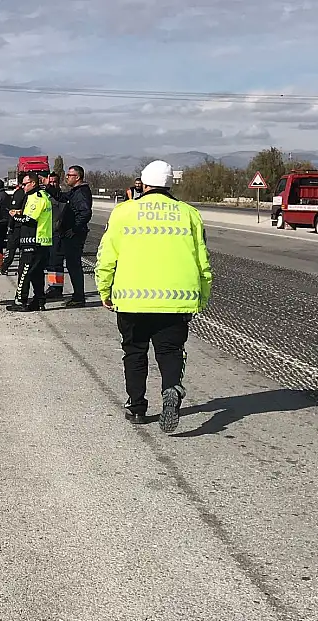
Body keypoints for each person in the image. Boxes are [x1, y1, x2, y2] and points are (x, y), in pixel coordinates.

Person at [95, 160, 212, 433]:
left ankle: (136, 407)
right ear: (170, 184)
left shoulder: (124, 212)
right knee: (170, 352)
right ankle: (171, 389)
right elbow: (202, 259)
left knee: (134, 352)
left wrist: (104, 289)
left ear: (143, 184)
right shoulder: (189, 214)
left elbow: (106, 257)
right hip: (176, 300)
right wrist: (202, 296)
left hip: (132, 299)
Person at [6, 173, 53, 312]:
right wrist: (20, 212)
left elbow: (30, 220)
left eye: (25, 184)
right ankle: (39, 301)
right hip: (39, 241)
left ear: (33, 183)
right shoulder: (38, 196)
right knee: (36, 273)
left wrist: (15, 217)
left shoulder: (37, 197)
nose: (23, 187)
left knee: (24, 272)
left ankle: (21, 300)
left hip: (34, 241)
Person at [59, 166, 93, 307]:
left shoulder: (81, 193)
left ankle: (79, 297)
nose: (67, 177)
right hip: (71, 232)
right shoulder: (75, 192)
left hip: (75, 234)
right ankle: (77, 295)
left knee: (74, 265)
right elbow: (62, 197)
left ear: (77, 177)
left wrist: (74, 228)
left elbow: (85, 212)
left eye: (69, 175)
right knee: (72, 265)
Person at [43, 172, 67, 297]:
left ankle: (56, 288)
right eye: (50, 182)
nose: (52, 184)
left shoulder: (61, 198)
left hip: (56, 233)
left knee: (56, 261)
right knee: (48, 262)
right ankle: (52, 286)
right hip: (46, 233)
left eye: (54, 182)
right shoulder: (44, 196)